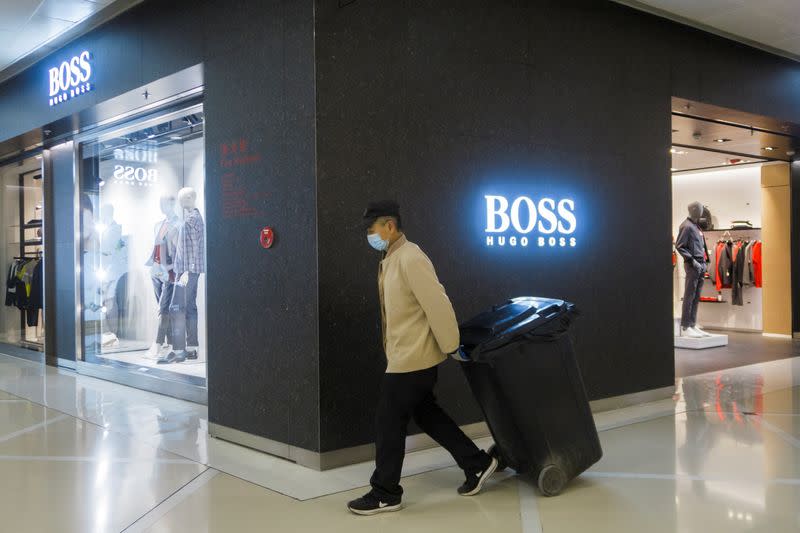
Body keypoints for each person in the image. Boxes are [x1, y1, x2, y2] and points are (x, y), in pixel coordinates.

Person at [347, 200, 497, 516]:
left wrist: (452, 345)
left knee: (388, 421)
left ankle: (385, 491)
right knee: (427, 414)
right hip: (404, 356)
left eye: (372, 229)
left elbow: (437, 304)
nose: (369, 235)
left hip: (412, 359)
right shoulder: (393, 258)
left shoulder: (411, 258)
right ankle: (478, 463)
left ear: (389, 226)